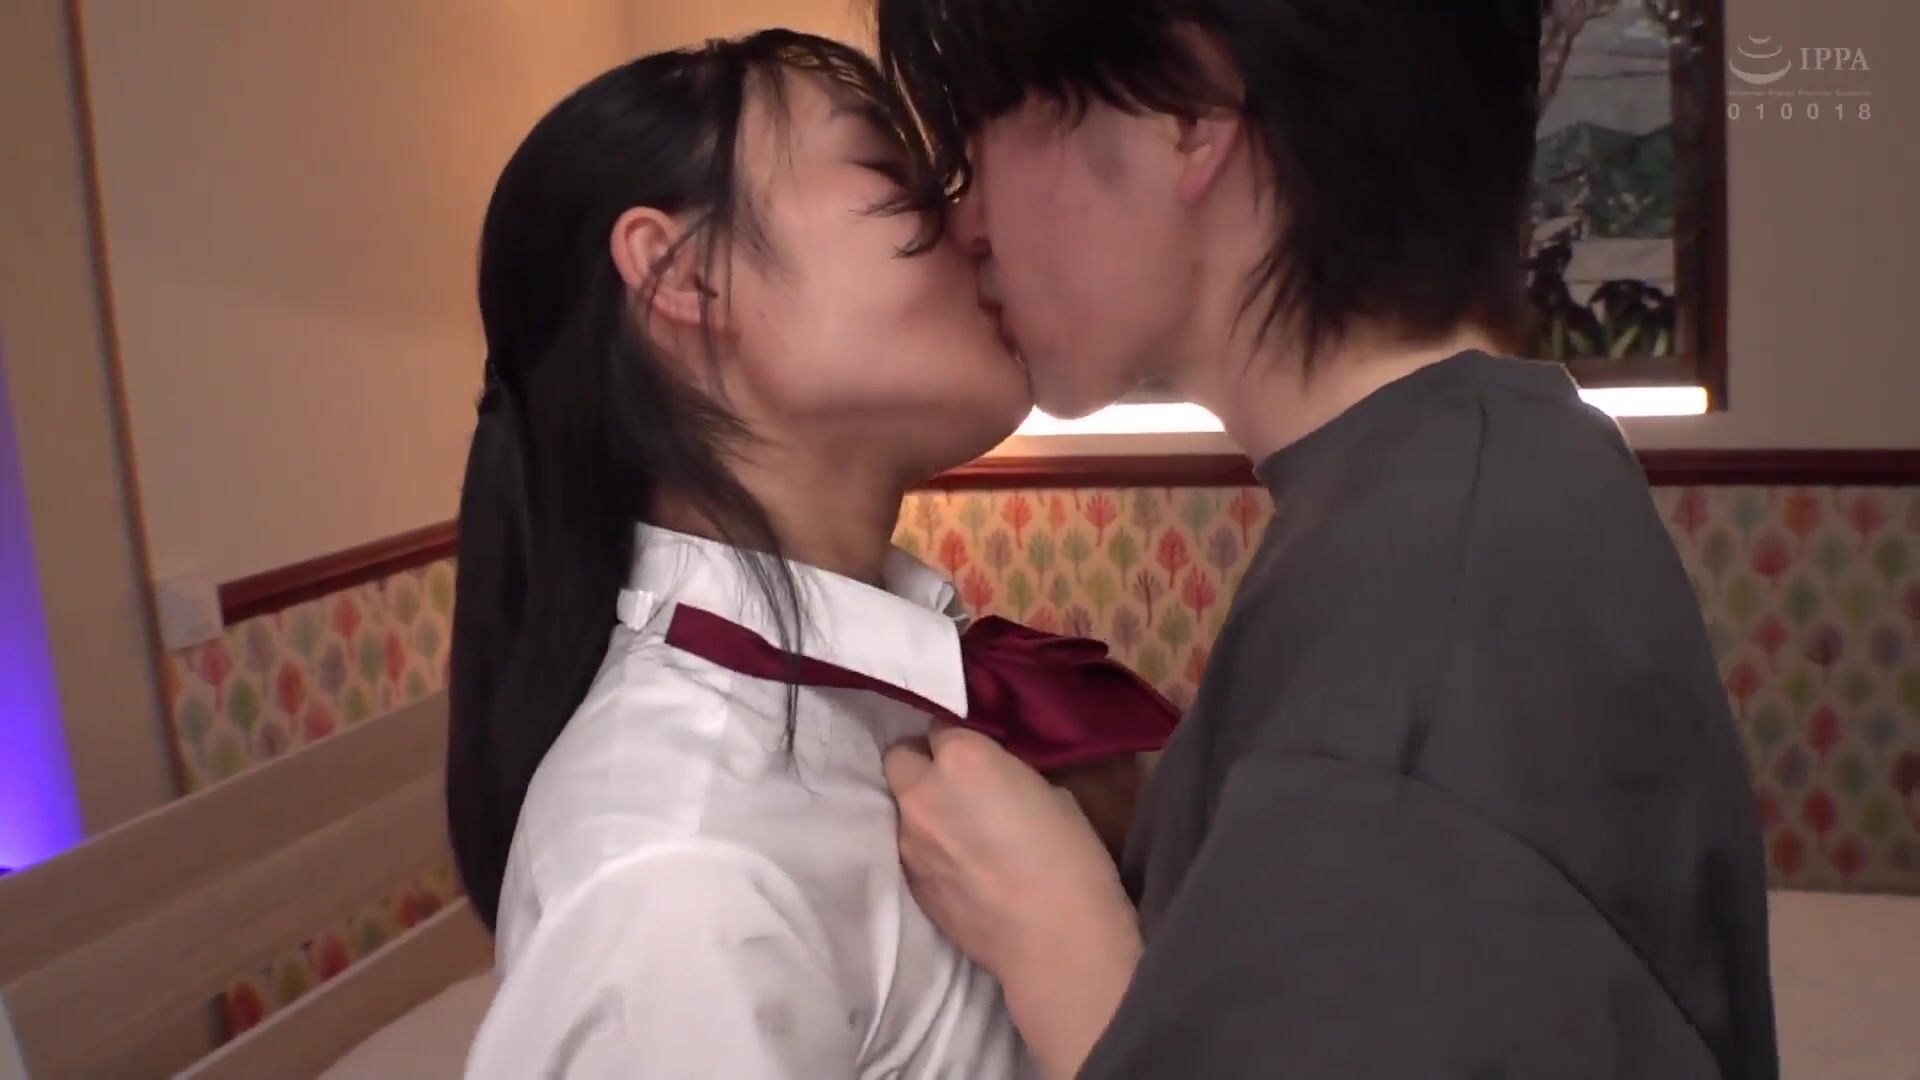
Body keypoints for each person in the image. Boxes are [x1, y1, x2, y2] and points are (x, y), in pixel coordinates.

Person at [873, 2, 1781, 1077]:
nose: (970, 224)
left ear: (1186, 111)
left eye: (986, 127)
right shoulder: (1501, 474)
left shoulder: (1421, 633)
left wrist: (1056, 941)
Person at [446, 31, 1169, 1077]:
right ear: (688, 278)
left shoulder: (872, 708)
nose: (974, 227)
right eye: (893, 177)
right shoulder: (676, 879)